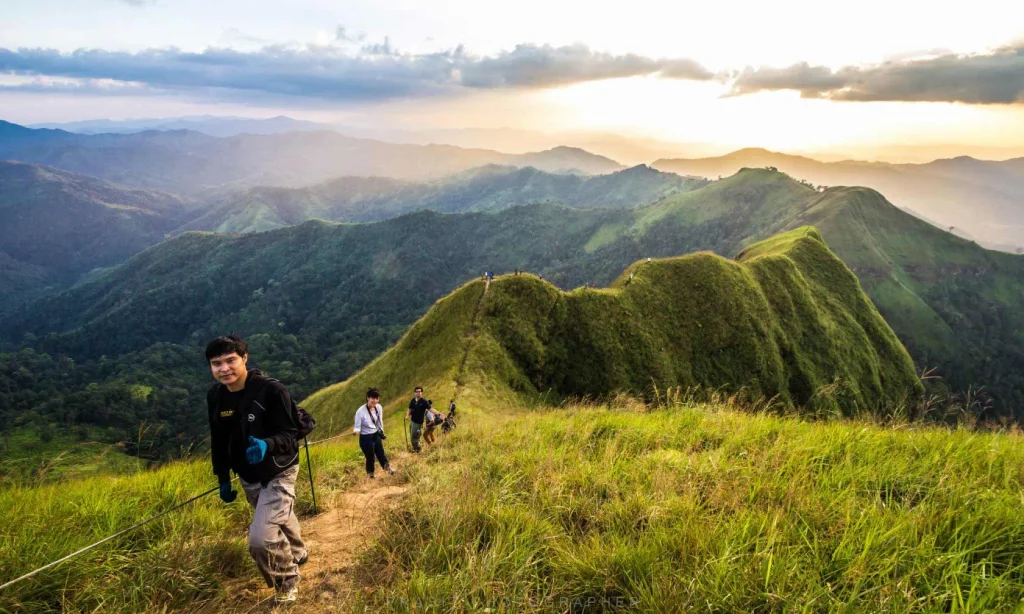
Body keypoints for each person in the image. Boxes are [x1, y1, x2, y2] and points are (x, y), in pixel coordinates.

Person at [206, 335, 306, 604]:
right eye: (217, 363)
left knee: (260, 540)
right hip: (248, 474)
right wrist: (223, 478)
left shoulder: (272, 391)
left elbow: (290, 433)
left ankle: (286, 582)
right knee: (278, 516)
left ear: (245, 359)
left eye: (231, 361)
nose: (224, 369)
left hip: (279, 469)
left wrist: (267, 444)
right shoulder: (216, 396)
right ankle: (298, 551)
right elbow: (219, 440)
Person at [352, 388, 394, 478]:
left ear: (378, 399)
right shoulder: (360, 411)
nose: (374, 400)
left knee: (381, 453)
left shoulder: (378, 407)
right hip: (365, 437)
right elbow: (357, 426)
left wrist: (382, 432)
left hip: (375, 434)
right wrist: (356, 431)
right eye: (372, 398)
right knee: (370, 456)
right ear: (368, 398)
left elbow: (379, 421)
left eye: (376, 398)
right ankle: (370, 475)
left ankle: (388, 469)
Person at [406, 386, 430, 452]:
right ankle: (416, 447)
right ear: (414, 393)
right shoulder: (413, 400)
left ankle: (418, 448)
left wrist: (438, 413)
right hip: (412, 421)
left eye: (419, 392)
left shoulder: (424, 401)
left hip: (418, 423)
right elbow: (409, 408)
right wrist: (407, 415)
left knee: (414, 437)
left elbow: (431, 409)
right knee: (412, 435)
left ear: (422, 392)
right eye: (416, 392)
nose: (418, 393)